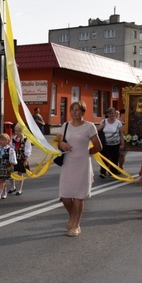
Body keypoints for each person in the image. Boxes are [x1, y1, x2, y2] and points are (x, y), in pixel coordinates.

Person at [56, 101, 102, 237]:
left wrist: (85, 153)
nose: (75, 112)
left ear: (83, 112)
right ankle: (73, 217)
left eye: (77, 110)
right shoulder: (65, 126)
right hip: (68, 164)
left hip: (82, 164)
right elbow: (59, 143)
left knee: (78, 197)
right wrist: (62, 145)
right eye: (72, 110)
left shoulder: (89, 126)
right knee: (65, 197)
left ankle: (76, 224)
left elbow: (98, 146)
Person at [96, 107, 124, 179]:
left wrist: (122, 143)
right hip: (105, 144)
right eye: (110, 113)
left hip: (115, 144)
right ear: (108, 114)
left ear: (115, 114)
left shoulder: (118, 123)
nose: (111, 115)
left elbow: (121, 133)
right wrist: (102, 126)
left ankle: (113, 171)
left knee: (114, 158)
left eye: (113, 113)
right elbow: (96, 130)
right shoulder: (104, 121)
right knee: (105, 158)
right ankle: (103, 172)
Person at [0, 133, 16, 200]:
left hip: (6, 167)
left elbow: (13, 159)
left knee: (2, 180)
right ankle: (4, 193)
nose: (1, 142)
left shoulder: (10, 150)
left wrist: (10, 167)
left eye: (3, 140)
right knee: (1, 180)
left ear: (7, 141)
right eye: (0, 140)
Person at [9, 123, 31, 195]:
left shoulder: (25, 140)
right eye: (16, 131)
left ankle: (19, 189)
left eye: (18, 131)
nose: (17, 133)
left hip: (21, 158)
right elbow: (10, 147)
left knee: (20, 173)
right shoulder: (13, 139)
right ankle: (13, 187)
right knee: (11, 172)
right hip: (14, 158)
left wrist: (26, 160)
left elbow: (28, 150)